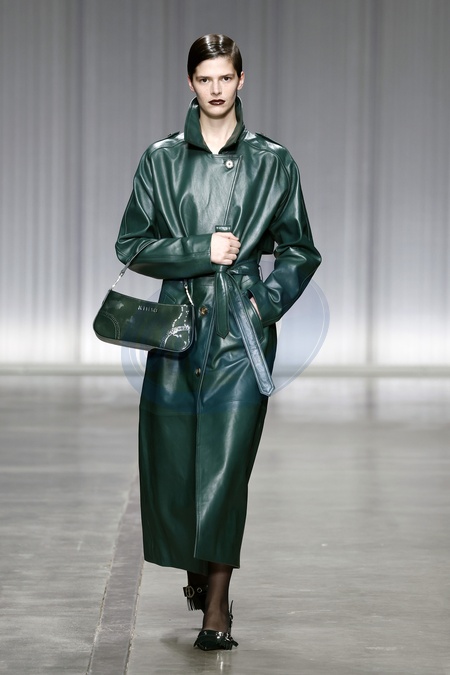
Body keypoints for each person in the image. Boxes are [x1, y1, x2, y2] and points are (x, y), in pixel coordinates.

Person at [115, 34, 321, 651]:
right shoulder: (160, 160)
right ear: (191, 84)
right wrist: (197, 249)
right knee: (177, 464)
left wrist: (263, 303)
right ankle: (197, 569)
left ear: (241, 81)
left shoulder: (272, 161)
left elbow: (300, 249)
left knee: (228, 469)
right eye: (204, 79)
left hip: (240, 333)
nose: (215, 89)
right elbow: (131, 245)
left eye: (225, 77)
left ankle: (217, 606)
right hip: (177, 328)